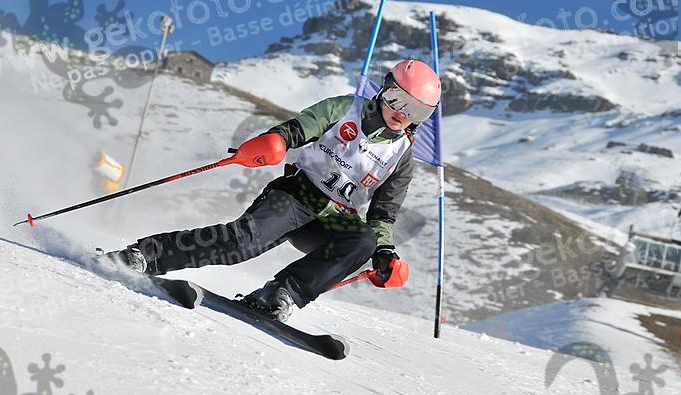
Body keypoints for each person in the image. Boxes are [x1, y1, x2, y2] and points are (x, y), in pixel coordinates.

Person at [105, 59, 442, 322]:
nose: (403, 114)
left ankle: (281, 294)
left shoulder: (401, 157)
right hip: (297, 194)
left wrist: (385, 252)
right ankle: (147, 254)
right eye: (398, 100)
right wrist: (276, 141)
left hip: (333, 218)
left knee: (363, 241)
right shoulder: (346, 109)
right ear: (385, 90)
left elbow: (383, 215)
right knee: (242, 244)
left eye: (417, 111)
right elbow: (302, 126)